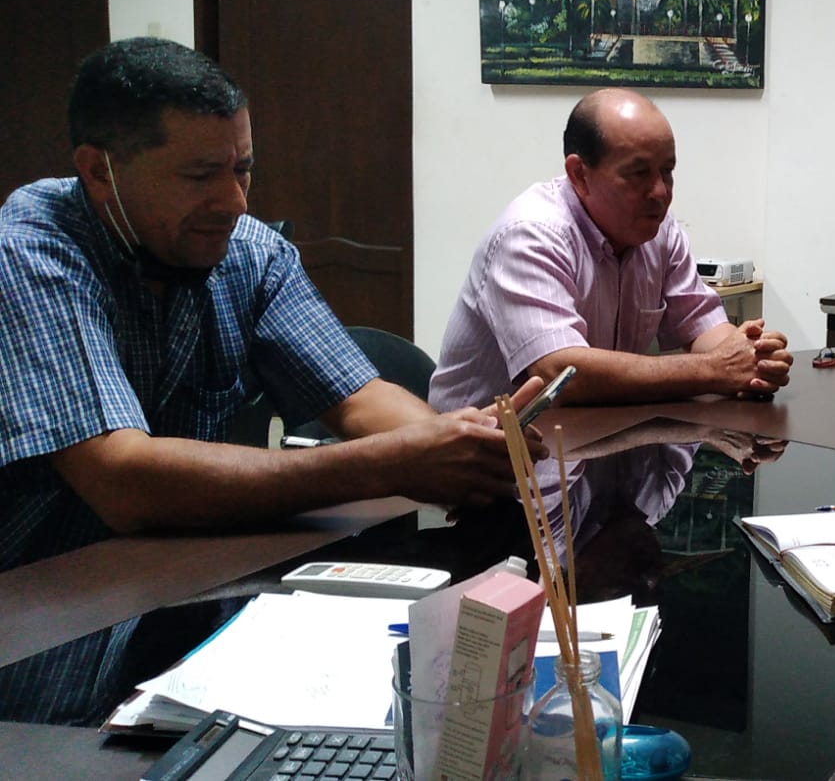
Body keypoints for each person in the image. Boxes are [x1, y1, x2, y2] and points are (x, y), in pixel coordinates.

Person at [0, 37, 551, 576]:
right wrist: (388, 465)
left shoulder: (251, 254)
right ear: (100, 172)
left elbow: (358, 400)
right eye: (200, 176)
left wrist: (460, 445)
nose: (235, 202)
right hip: (46, 597)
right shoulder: (32, 251)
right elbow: (122, 481)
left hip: (187, 575)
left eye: (241, 169)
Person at [428, 88, 792, 410]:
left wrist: (753, 357)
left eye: (667, 171)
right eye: (638, 174)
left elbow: (701, 327)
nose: (660, 192)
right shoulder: (530, 235)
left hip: (596, 440)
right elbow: (560, 376)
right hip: (487, 455)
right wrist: (714, 369)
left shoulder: (659, 230)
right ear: (579, 175)